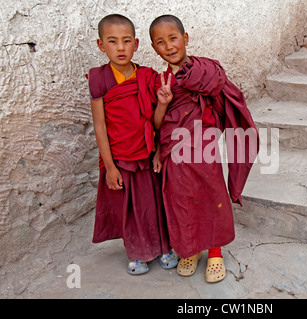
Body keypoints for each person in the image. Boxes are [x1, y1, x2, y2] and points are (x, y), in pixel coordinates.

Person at [150, 15, 259, 283]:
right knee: (181, 201)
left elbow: (227, 104)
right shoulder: (160, 79)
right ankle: (190, 250)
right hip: (174, 150)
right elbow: (156, 122)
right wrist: (163, 103)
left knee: (211, 197)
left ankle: (215, 252)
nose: (169, 46)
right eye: (160, 42)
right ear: (154, 48)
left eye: (173, 38)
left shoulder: (206, 71)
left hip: (204, 146)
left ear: (185, 39)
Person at [87, 14, 178, 275]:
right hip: (121, 158)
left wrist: (162, 104)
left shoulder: (148, 77)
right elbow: (100, 127)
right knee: (130, 209)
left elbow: (156, 122)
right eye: (112, 41)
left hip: (147, 154)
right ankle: (137, 253)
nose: (120, 47)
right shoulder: (98, 79)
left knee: (155, 204)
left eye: (126, 41)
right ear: (101, 45)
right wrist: (109, 167)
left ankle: (163, 247)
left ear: (136, 44)